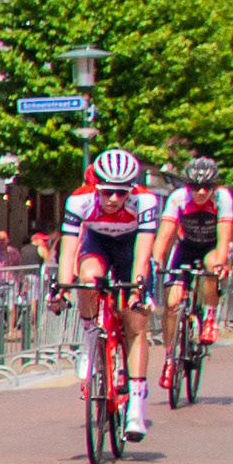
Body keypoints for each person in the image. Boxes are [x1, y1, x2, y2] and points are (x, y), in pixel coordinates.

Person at [53, 147, 161, 440]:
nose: (113, 198)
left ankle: (136, 409)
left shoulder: (145, 201)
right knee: (87, 279)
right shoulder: (80, 199)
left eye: (121, 193)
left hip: (130, 250)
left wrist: (137, 290)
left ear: (131, 190)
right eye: (107, 192)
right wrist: (62, 288)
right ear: (95, 187)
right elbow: (68, 250)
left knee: (135, 324)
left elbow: (143, 253)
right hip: (97, 244)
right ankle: (90, 339)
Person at [152, 155, 233, 362]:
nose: (201, 192)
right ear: (187, 186)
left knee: (212, 265)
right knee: (172, 303)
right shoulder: (178, 198)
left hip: (212, 246)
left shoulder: (223, 198)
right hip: (187, 246)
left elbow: (224, 236)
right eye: (194, 187)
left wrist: (221, 263)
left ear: (214, 186)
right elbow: (164, 235)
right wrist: (155, 261)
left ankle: (209, 317)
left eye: (207, 187)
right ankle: (169, 357)